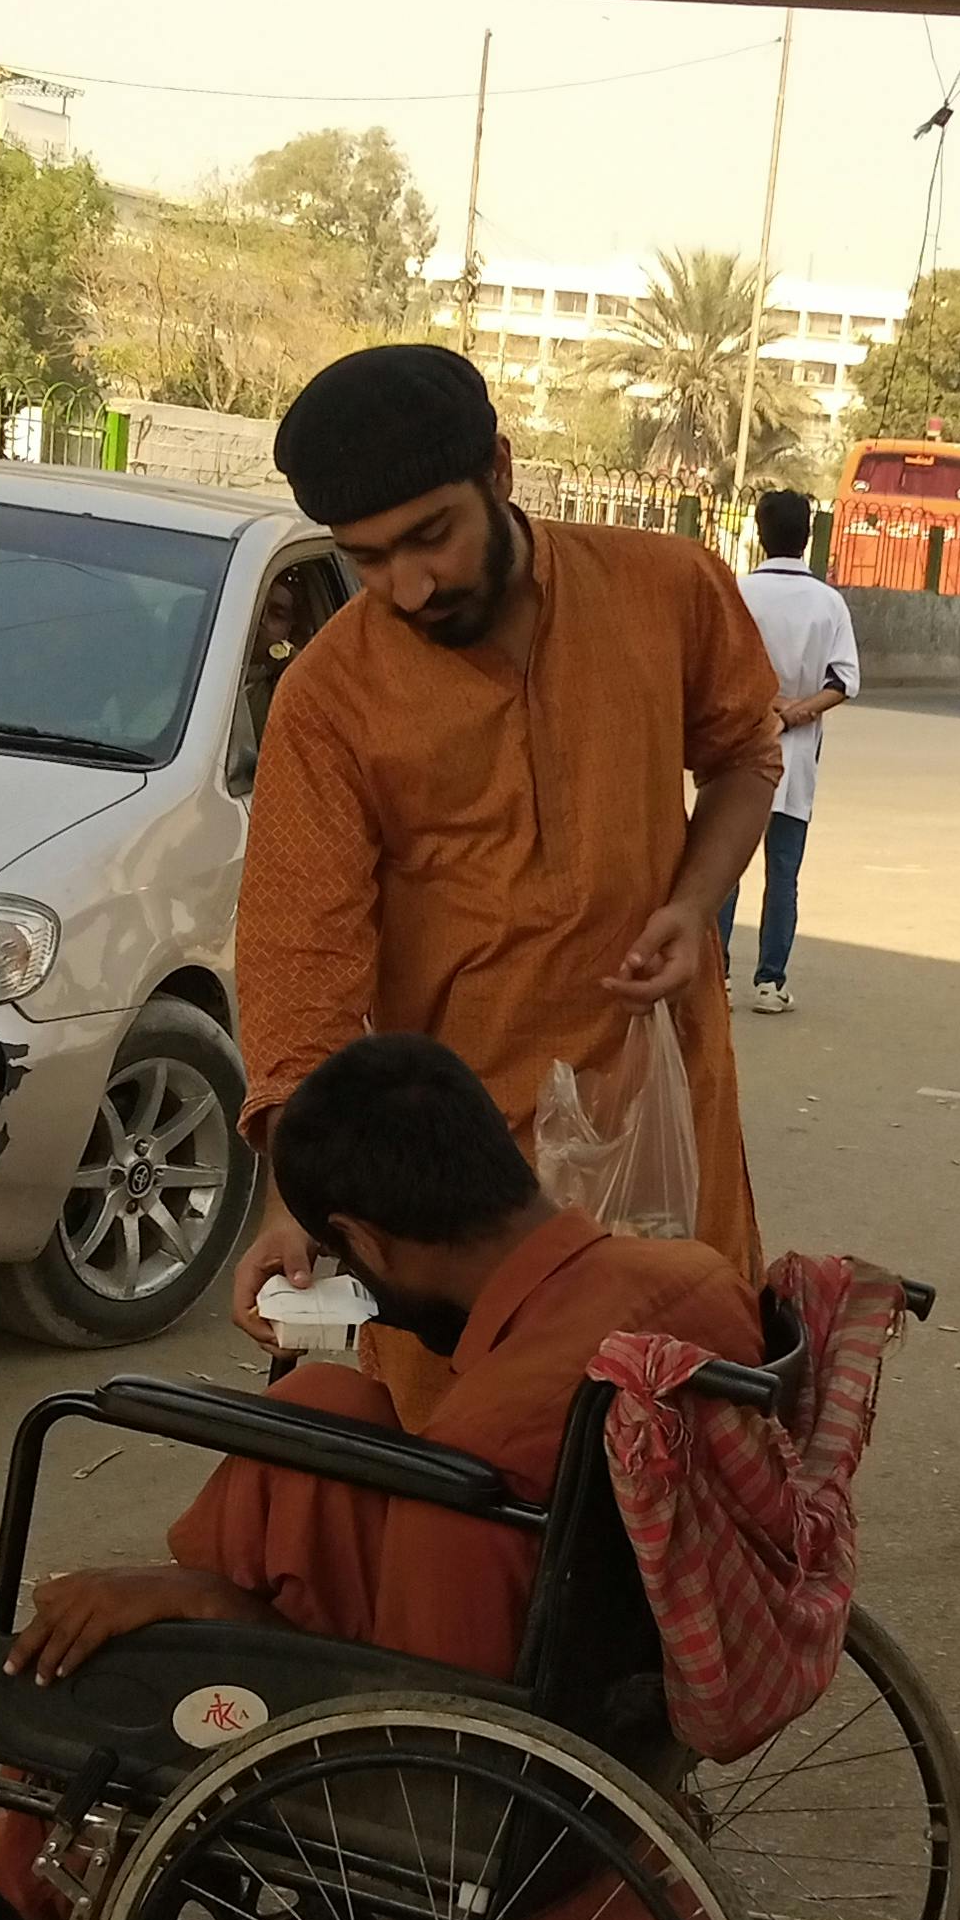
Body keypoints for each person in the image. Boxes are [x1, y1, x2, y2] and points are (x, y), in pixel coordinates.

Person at [0, 1041, 768, 1920]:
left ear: (371, 1242)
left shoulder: (482, 1454)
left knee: (143, 1621)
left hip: (469, 1753)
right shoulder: (687, 1275)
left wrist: (207, 1606)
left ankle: (25, 1828)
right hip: (605, 1652)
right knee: (325, 1405)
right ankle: (31, 1818)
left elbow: (429, 1708)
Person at [233, 345, 788, 1327]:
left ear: (499, 470)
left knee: (679, 1388)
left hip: (667, 1122)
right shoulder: (329, 699)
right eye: (368, 559)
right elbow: (299, 978)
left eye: (431, 537)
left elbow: (745, 753)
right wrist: (293, 1204)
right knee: (484, 1414)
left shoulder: (665, 588)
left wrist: (693, 901)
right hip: (458, 1191)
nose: (409, 587)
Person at [718, 484, 860, 1017]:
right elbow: (843, 681)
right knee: (783, 872)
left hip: (738, 748)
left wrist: (767, 702)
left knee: (724, 866)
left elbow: (720, 671)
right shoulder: (828, 603)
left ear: (760, 533)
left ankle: (716, 976)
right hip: (797, 758)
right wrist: (797, 711)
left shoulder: (738, 593)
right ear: (807, 536)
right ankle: (770, 982)